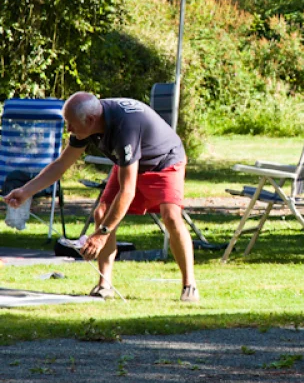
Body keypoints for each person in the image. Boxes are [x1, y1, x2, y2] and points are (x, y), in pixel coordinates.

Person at [4, 92, 199, 303]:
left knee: (170, 216)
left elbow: (127, 191)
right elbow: (61, 165)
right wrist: (25, 192)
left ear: (89, 121)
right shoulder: (88, 121)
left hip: (164, 160)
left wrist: (101, 234)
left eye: (71, 124)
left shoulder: (124, 128)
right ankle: (104, 284)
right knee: (102, 212)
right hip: (129, 163)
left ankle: (189, 285)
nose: (69, 129)